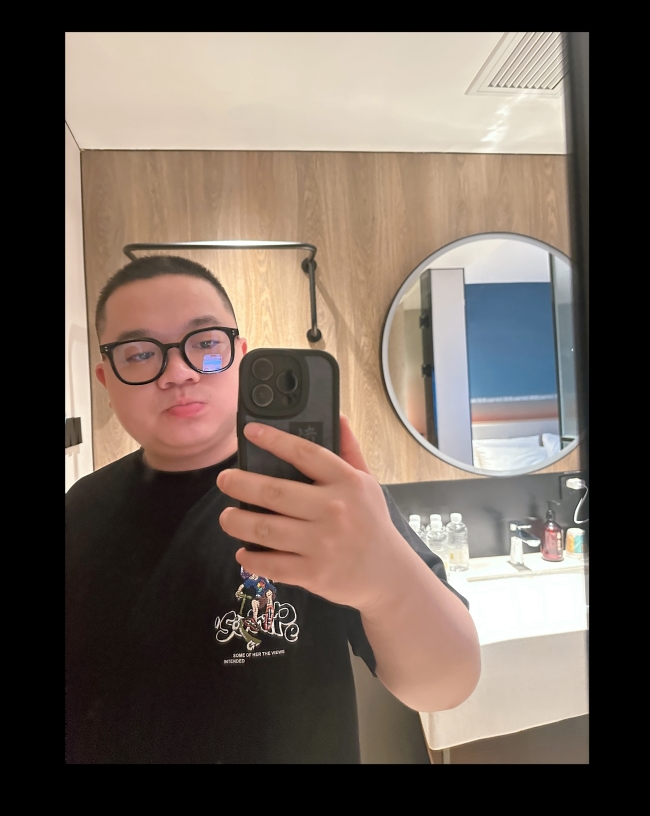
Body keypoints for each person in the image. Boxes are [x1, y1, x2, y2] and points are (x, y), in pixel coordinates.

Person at [65, 255, 480, 764]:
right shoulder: (79, 509)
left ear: (240, 356)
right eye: (139, 353)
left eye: (206, 344)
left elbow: (446, 686)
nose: (178, 373)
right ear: (106, 381)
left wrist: (389, 585)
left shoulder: (325, 497)